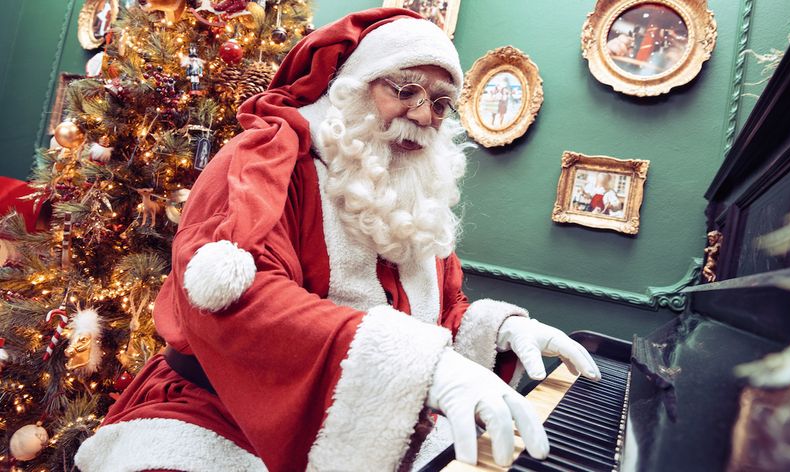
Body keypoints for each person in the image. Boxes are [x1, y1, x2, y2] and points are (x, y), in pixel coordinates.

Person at [74, 8, 601, 471]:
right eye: (404, 90)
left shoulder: (415, 191)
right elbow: (238, 302)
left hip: (379, 411)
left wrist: (499, 330)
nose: (423, 115)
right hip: (224, 408)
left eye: (440, 104)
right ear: (352, 84)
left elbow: (437, 312)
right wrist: (422, 365)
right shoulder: (265, 162)